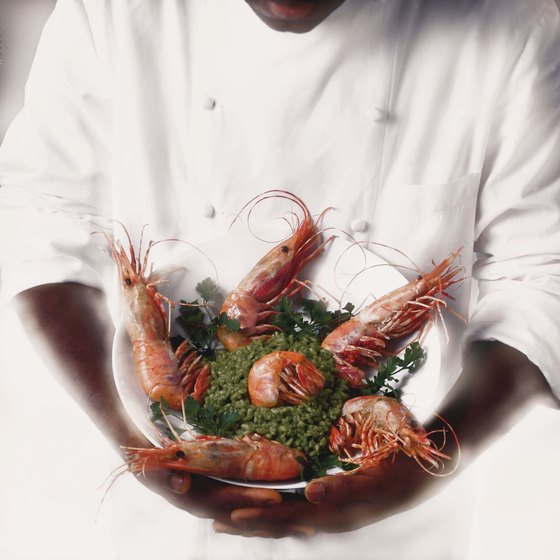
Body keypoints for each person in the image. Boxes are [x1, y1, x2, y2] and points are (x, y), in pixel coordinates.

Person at [1, 0, 559, 557]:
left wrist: (426, 463)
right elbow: (38, 217)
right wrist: (131, 436)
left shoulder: (516, 29)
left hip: (397, 534)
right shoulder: (108, 12)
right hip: (162, 531)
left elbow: (542, 274)